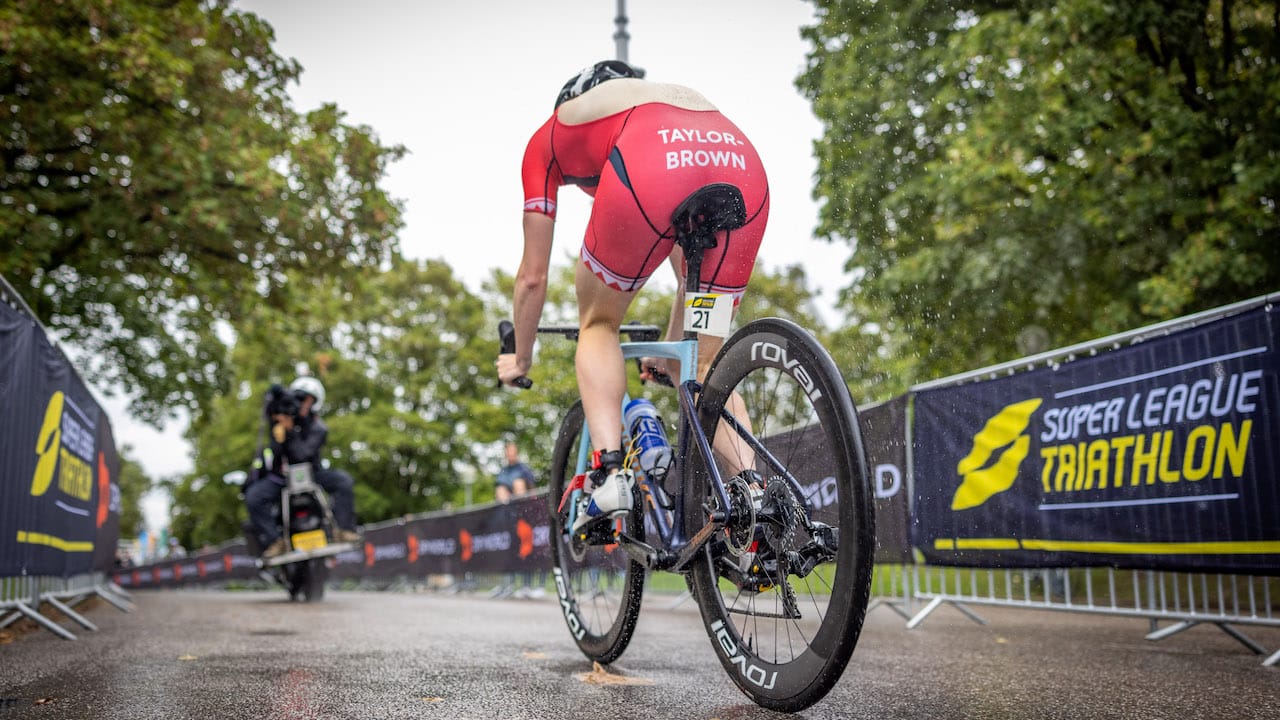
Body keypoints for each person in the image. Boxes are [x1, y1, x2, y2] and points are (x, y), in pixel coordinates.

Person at [496, 61, 770, 534]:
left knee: (598, 324)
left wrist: (520, 357)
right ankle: (755, 499)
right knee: (705, 364)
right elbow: (690, 283)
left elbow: (533, 278)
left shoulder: (553, 133)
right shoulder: (656, 98)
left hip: (649, 169)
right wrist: (670, 351)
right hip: (741, 164)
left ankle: (607, 474)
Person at [245, 376, 361, 558]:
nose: (303, 404)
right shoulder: (280, 421)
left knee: (344, 481)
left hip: (312, 474)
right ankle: (275, 541)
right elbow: (274, 450)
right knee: (253, 497)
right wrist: (274, 404)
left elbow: (302, 454)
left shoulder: (317, 427)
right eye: (300, 399)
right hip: (281, 479)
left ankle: (343, 530)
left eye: (309, 401)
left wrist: (290, 431)